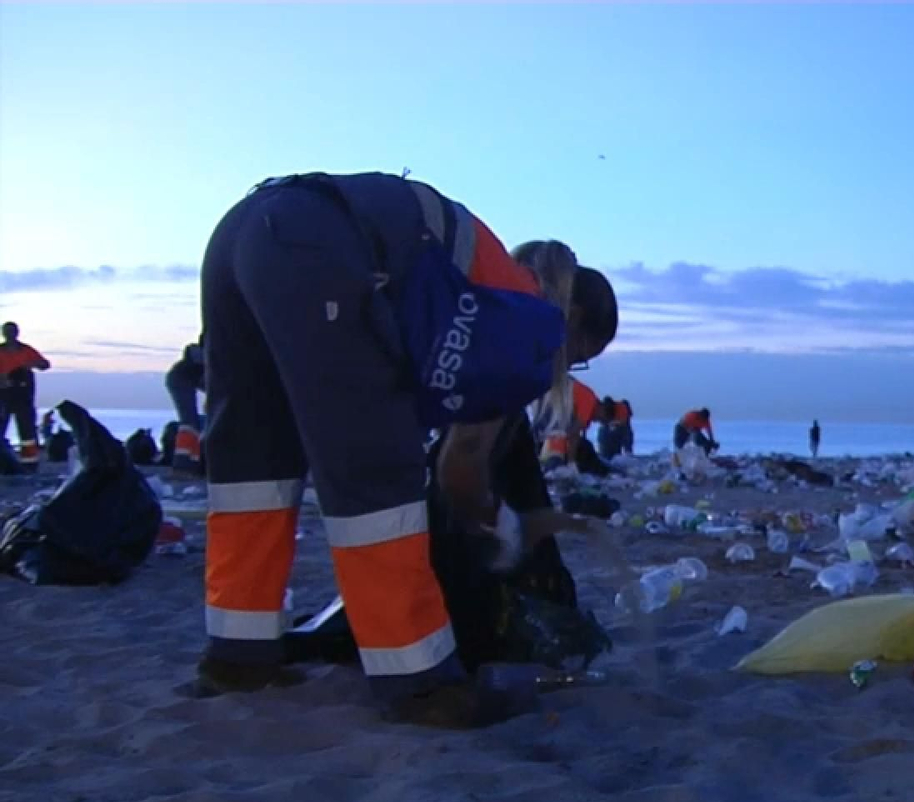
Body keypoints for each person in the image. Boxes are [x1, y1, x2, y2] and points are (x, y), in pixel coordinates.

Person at [192, 170, 617, 729]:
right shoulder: (521, 321)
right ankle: (419, 684)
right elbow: (459, 469)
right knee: (377, 482)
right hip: (319, 246)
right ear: (573, 321)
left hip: (243, 230)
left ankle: (238, 658)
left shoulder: (479, 278)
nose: (567, 367)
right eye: (581, 356)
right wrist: (507, 529)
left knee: (254, 468)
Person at [0, 321, 51, 467]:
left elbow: (45, 364)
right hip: (3, 396)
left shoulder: (26, 350)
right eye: (7, 331)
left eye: (12, 331)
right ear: (3, 333)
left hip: (24, 397)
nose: (10, 334)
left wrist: (33, 364)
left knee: (27, 432)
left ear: (17, 332)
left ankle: (30, 464)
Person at [166, 336, 206, 474]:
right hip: (179, 380)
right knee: (189, 425)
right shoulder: (216, 358)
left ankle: (193, 463)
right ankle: (183, 465)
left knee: (193, 423)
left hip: (183, 377)